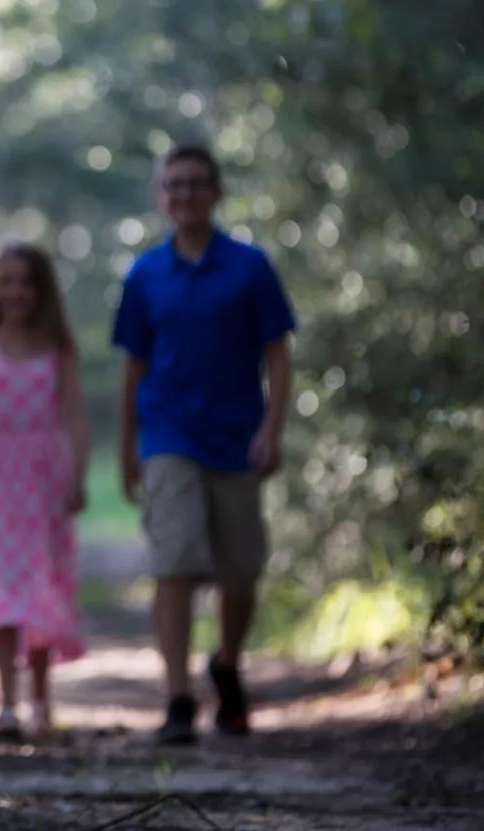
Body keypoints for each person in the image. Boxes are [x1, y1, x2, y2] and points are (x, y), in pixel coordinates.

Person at [111, 145, 295, 746]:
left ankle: (228, 666)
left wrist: (271, 430)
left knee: (239, 570)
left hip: (236, 436)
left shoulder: (250, 267)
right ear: (161, 196)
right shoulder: (144, 274)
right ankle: (177, 697)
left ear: (217, 192)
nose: (185, 195)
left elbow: (278, 354)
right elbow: (134, 366)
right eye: (174, 185)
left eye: (195, 184)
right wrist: (128, 446)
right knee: (174, 564)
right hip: (168, 434)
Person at [0, 241, 88, 742]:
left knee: (40, 588)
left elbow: (74, 414)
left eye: (27, 282)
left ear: (42, 289)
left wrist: (77, 475)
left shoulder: (58, 347)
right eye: (6, 281)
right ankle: (7, 705)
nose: (16, 292)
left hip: (44, 480)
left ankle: (42, 703)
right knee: (3, 593)